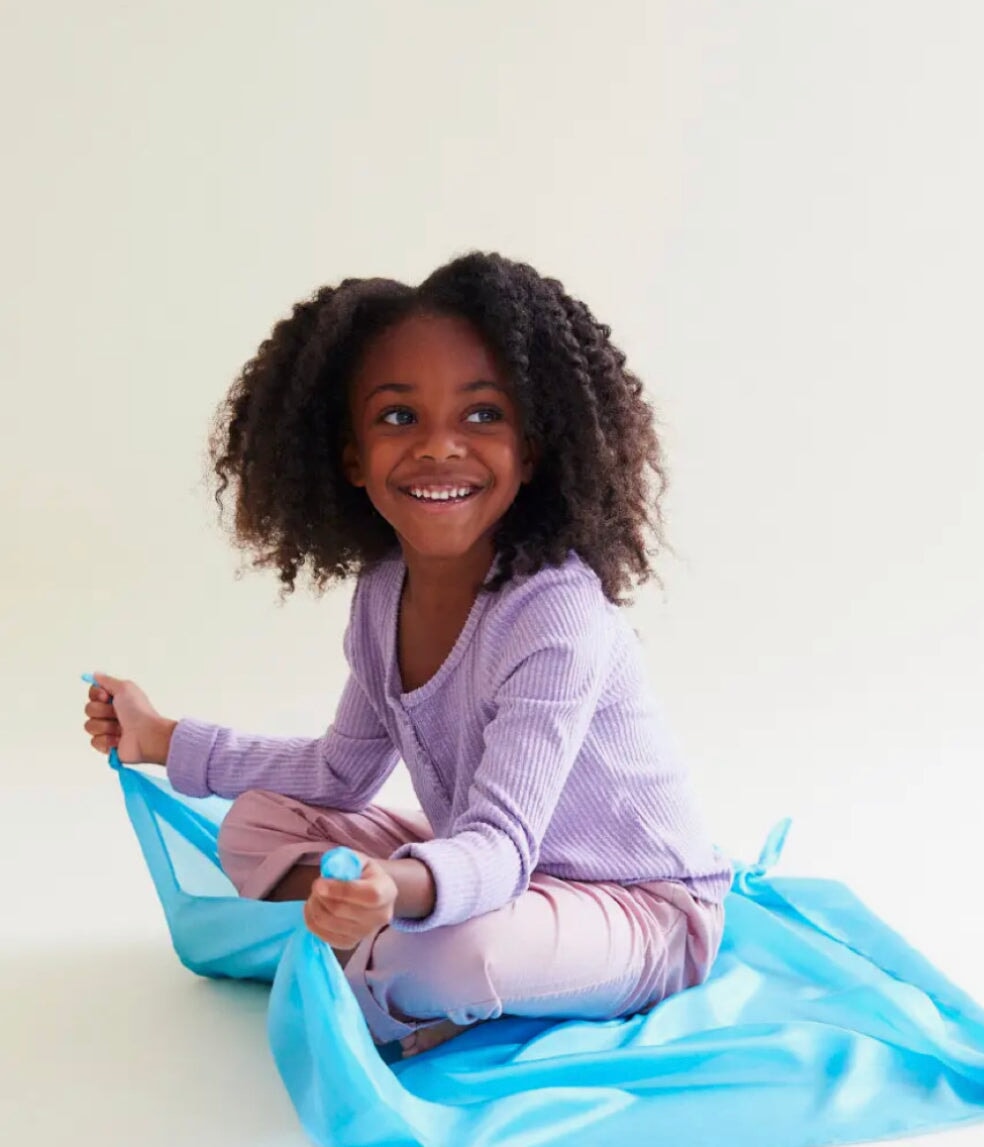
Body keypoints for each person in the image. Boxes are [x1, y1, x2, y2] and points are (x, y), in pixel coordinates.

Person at [82, 252, 733, 1057]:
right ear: (351, 456)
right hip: (490, 863)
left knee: (458, 953)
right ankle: (376, 943)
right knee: (252, 825)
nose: (438, 448)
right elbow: (335, 774)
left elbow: (498, 843)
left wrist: (392, 885)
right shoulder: (384, 591)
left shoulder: (556, 615)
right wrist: (164, 737)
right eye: (398, 418)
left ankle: (394, 952)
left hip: (637, 903)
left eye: (482, 415)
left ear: (530, 449)